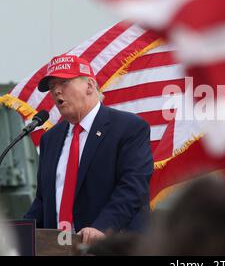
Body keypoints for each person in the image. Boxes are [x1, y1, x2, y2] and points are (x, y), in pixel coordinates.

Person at [24, 54, 153, 244]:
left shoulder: (129, 127)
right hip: (59, 247)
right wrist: (17, 234)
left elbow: (133, 187)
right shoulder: (50, 138)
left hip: (113, 246)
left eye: (64, 83)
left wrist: (102, 228)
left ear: (90, 86)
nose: (56, 91)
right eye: (52, 87)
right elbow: (44, 200)